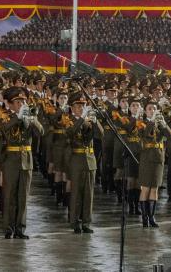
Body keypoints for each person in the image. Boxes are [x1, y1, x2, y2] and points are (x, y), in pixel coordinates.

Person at [0, 85, 42, 238]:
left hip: (26, 160)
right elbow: (4, 129)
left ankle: (20, 228)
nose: (22, 104)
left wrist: (32, 119)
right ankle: (8, 228)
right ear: (11, 104)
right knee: (10, 195)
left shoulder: (29, 116)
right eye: (18, 102)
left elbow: (40, 132)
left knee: (23, 196)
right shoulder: (5, 115)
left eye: (23, 101)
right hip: (11, 160)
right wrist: (18, 117)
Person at [65, 91, 100, 233]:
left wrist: (96, 122)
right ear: (72, 108)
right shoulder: (68, 119)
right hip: (76, 159)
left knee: (88, 194)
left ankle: (86, 222)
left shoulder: (89, 120)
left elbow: (101, 135)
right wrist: (81, 119)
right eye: (78, 106)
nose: (81, 108)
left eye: (83, 105)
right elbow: (70, 132)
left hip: (90, 160)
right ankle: (75, 222)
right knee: (76, 193)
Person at [138, 98, 171, 228]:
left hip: (158, 158)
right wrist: (152, 121)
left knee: (155, 188)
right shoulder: (141, 122)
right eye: (149, 109)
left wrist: (163, 123)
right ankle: (144, 217)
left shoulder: (159, 123)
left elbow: (170, 135)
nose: (152, 110)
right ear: (145, 111)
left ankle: (152, 216)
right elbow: (146, 134)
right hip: (147, 158)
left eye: (154, 108)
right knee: (146, 188)